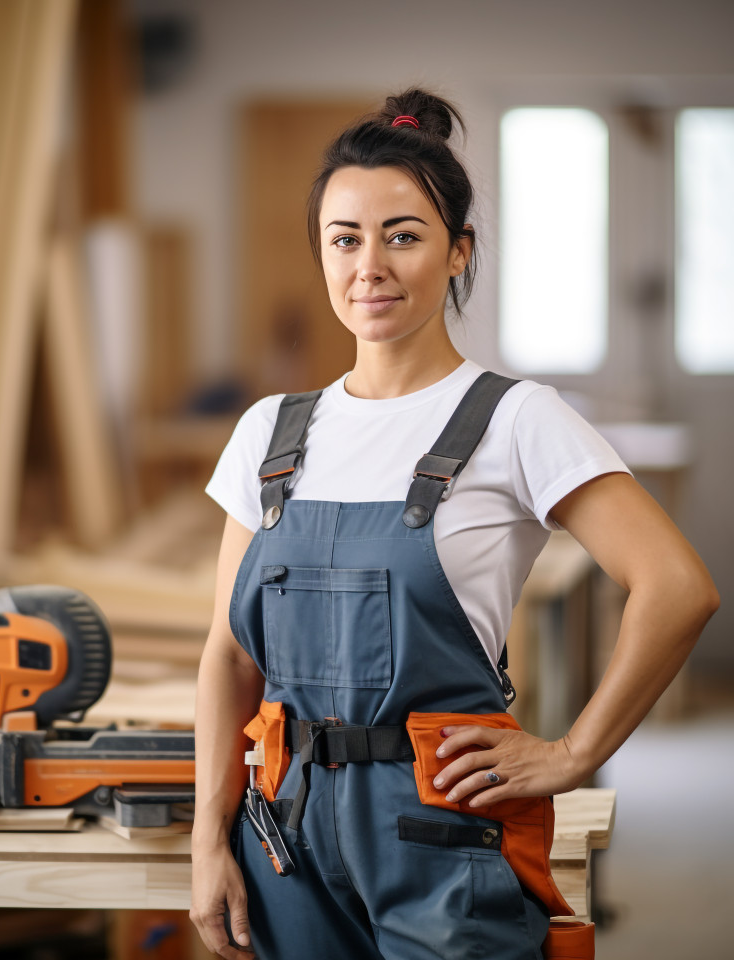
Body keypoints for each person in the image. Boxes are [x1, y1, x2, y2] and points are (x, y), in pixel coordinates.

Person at [189, 88, 719, 960]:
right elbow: (229, 655)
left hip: (440, 831)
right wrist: (211, 837)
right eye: (345, 238)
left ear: (458, 251)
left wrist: (574, 751)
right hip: (284, 837)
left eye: (404, 235)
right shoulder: (268, 435)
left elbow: (677, 586)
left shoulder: (517, 420)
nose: (371, 266)